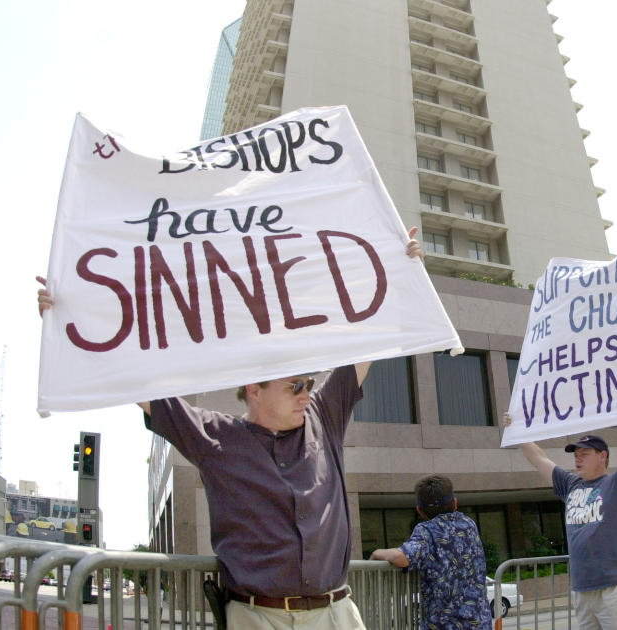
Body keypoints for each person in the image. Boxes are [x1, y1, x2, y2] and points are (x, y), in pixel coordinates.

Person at [37, 228, 425, 630]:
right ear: (254, 390)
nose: (306, 393)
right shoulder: (215, 438)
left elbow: (371, 342)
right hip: (256, 617)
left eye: (309, 383)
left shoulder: (323, 418)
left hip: (336, 614)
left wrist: (400, 270)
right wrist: (71, 315)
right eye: (295, 385)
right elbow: (134, 378)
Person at [505, 378, 617, 630]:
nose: (577, 459)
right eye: (575, 455)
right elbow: (540, 459)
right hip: (583, 592)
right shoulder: (569, 485)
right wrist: (518, 431)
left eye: (584, 454)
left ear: (602, 456)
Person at [370, 475, 492, 629]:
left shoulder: (427, 531)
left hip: (444, 624)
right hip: (479, 622)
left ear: (420, 511)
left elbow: (401, 557)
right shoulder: (469, 525)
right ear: (455, 503)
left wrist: (376, 553)